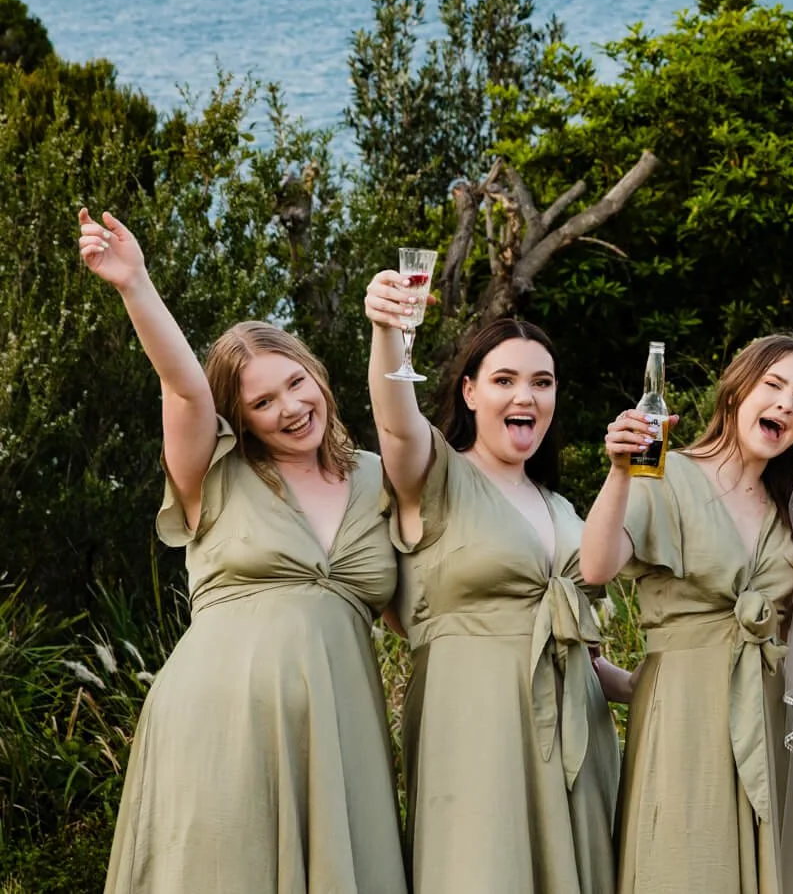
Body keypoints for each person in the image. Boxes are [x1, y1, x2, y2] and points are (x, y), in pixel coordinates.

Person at [81, 209, 408, 894]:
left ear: (317, 375)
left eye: (296, 382)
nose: (290, 407)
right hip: (219, 724)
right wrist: (135, 283)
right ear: (240, 415)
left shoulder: (380, 477)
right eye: (262, 401)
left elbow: (424, 607)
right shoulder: (214, 473)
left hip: (340, 735)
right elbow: (182, 385)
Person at [365, 273, 627, 894]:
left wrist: (648, 690)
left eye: (542, 382)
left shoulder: (563, 508)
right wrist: (387, 333)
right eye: (505, 380)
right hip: (473, 717)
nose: (527, 396)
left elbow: (587, 658)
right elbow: (397, 423)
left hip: (575, 729)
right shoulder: (435, 476)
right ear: (471, 392)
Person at [579, 334, 793, 894]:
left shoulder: (791, 514)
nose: (786, 403)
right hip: (684, 708)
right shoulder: (664, 471)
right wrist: (620, 471)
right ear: (737, 392)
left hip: (765, 711)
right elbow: (596, 566)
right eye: (774, 385)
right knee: (684, 862)